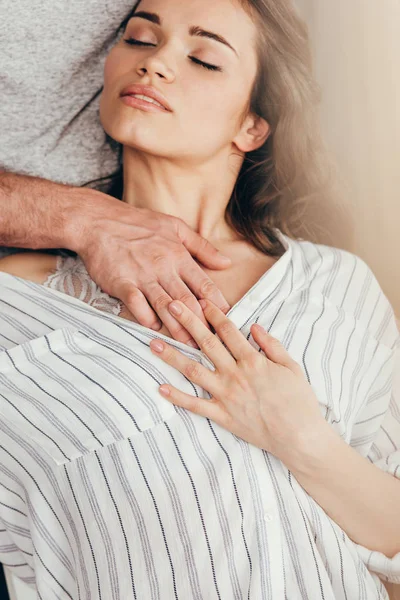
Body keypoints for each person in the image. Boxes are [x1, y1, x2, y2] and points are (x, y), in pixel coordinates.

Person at [0, 0, 399, 598]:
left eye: (205, 59)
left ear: (252, 126)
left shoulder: (336, 285)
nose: (155, 62)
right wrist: (81, 221)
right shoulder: (14, 303)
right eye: (138, 38)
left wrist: (304, 439)